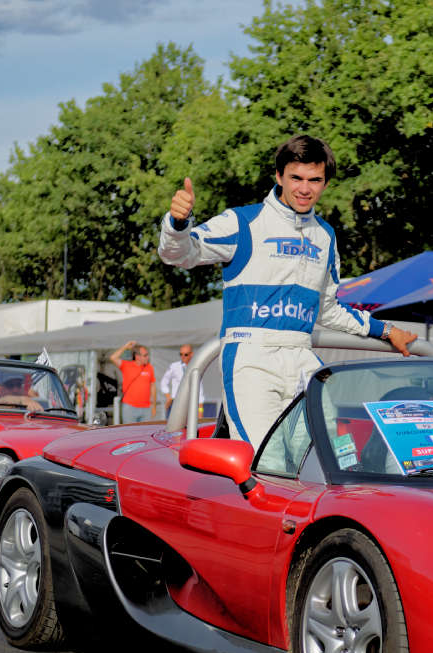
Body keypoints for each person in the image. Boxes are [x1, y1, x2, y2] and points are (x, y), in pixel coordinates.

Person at [158, 134, 417, 446]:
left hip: (302, 359)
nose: (305, 189)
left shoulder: (326, 237)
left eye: (315, 180)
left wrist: (386, 331)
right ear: (279, 175)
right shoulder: (243, 221)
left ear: (325, 182)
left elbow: (328, 309)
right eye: (296, 177)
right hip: (251, 358)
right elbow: (179, 255)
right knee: (263, 462)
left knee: (326, 457)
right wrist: (176, 223)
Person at [107, 340, 156, 423]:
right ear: (137, 356)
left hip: (146, 408)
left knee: (144, 434)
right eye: (145, 355)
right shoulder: (126, 365)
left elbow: (153, 386)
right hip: (130, 408)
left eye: (147, 355)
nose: (147, 357)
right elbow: (113, 358)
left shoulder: (149, 367)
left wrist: (154, 405)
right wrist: (126, 347)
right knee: (129, 434)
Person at [160, 343, 203, 417]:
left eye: (185, 354)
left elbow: (199, 388)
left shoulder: (196, 367)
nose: (183, 357)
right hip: (175, 402)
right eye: (181, 354)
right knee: (173, 427)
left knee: (190, 427)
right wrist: (168, 396)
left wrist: (200, 409)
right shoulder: (174, 366)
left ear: (191, 354)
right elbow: (164, 382)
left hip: (191, 402)